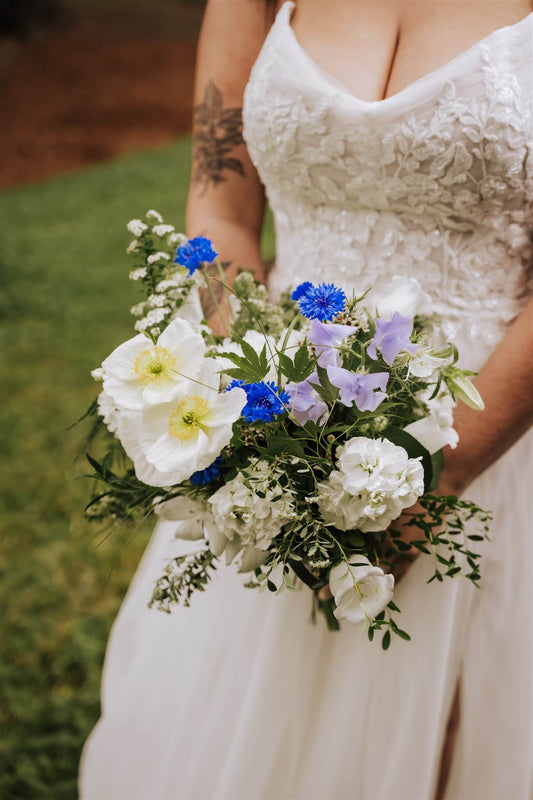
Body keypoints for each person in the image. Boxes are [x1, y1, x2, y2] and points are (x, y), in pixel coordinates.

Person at [80, 1, 533, 797]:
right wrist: (246, 409)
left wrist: (448, 470)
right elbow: (219, 205)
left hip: (492, 427)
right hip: (276, 417)